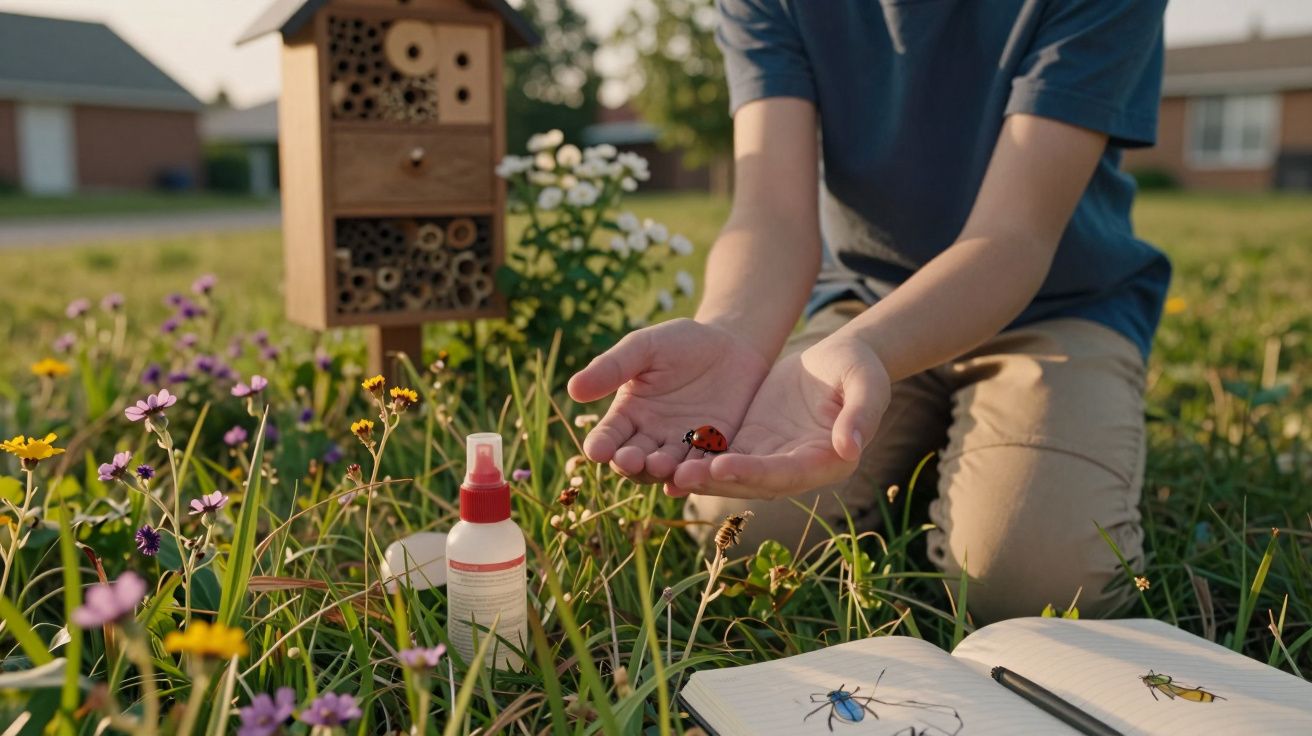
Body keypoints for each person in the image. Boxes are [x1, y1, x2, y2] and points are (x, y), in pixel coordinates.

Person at [567, 0, 1170, 623]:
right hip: (863, 305)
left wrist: (875, 350)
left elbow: (1014, 238)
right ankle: (942, 447)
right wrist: (730, 330)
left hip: (1058, 313)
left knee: (1035, 586)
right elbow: (772, 214)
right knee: (744, 527)